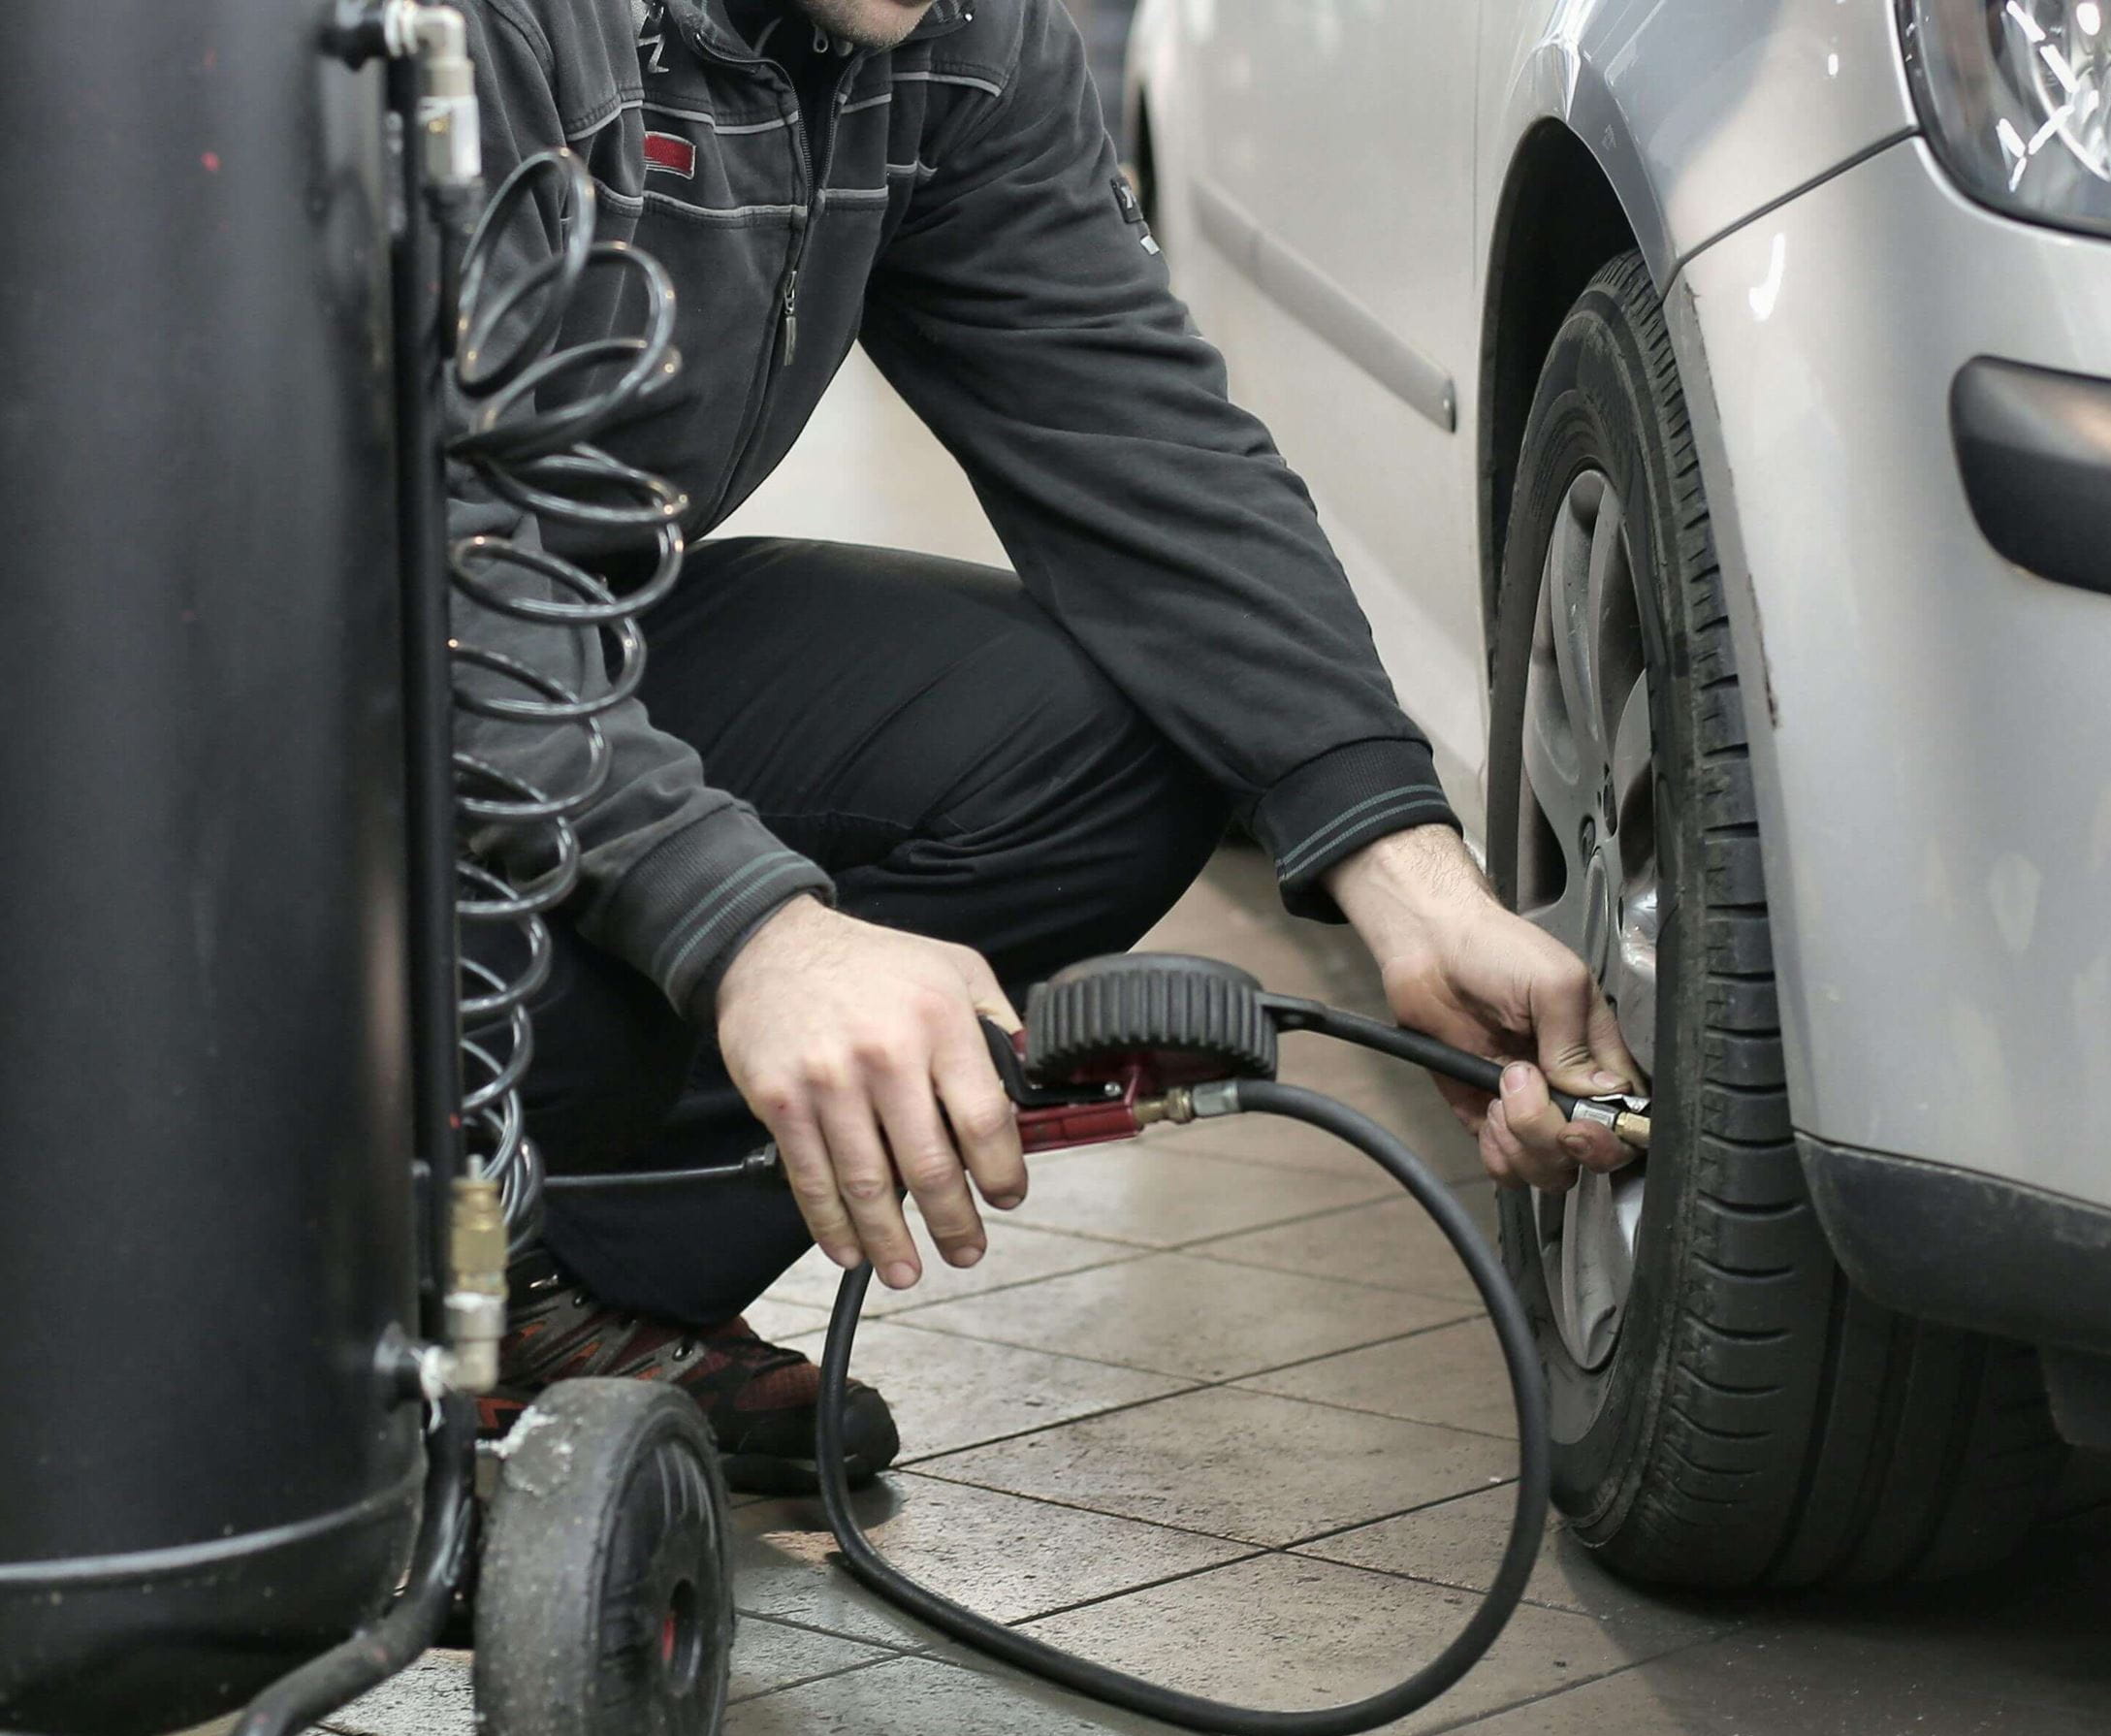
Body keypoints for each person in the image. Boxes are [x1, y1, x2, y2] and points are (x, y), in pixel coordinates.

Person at [455, 0, 1640, 1489]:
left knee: (1113, 742)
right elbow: (381, 552)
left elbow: (1135, 435)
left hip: (553, 631)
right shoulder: (481, 30)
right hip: (268, 703)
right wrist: (750, 930)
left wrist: (1412, 879)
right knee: (562, 851)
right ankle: (314, 1234)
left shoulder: (947, 34)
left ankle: (546, 1276)